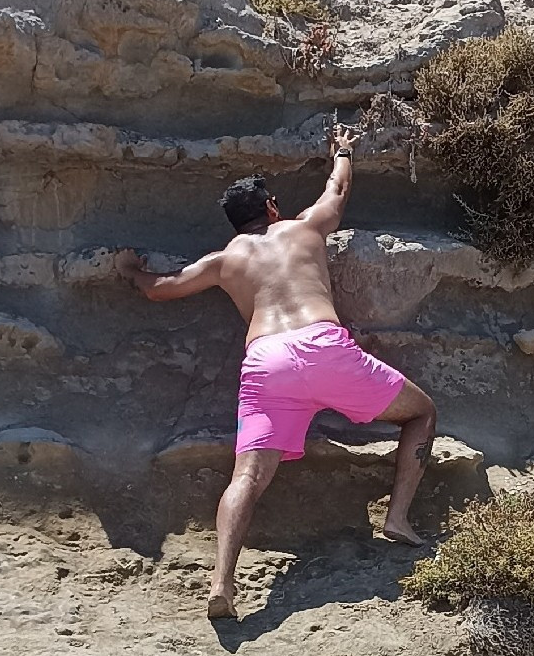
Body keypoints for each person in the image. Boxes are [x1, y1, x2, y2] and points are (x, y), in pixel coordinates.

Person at [115, 126, 437, 619]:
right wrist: (343, 151)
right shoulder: (303, 228)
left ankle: (222, 583)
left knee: (247, 475)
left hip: (266, 361)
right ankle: (397, 518)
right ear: (271, 207)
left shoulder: (225, 259)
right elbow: (337, 191)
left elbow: (163, 287)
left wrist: (131, 271)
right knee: (421, 413)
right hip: (322, 347)